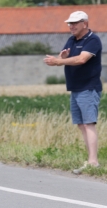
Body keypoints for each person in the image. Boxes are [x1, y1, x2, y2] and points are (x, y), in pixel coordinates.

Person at [43, 10, 102, 174]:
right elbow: (65, 58)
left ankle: (93, 161)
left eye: (75, 23)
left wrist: (58, 62)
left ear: (85, 23)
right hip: (75, 89)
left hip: (88, 87)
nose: (71, 26)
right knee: (81, 124)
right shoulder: (71, 40)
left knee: (89, 123)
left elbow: (82, 59)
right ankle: (91, 159)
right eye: (70, 23)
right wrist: (62, 57)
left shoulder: (93, 40)